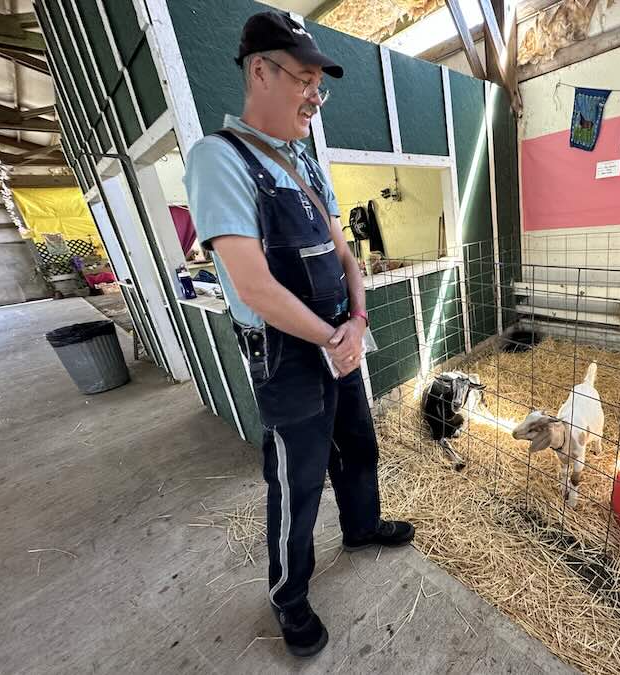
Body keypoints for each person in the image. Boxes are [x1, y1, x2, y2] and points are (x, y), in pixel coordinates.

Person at [183, 11, 414, 658]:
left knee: (358, 443)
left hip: (338, 335)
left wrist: (358, 317)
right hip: (287, 355)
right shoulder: (217, 159)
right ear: (260, 70)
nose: (316, 95)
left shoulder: (305, 163)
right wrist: (330, 336)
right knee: (299, 478)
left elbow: (345, 254)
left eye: (321, 84)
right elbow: (253, 286)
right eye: (305, 79)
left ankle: (363, 526)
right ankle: (290, 595)